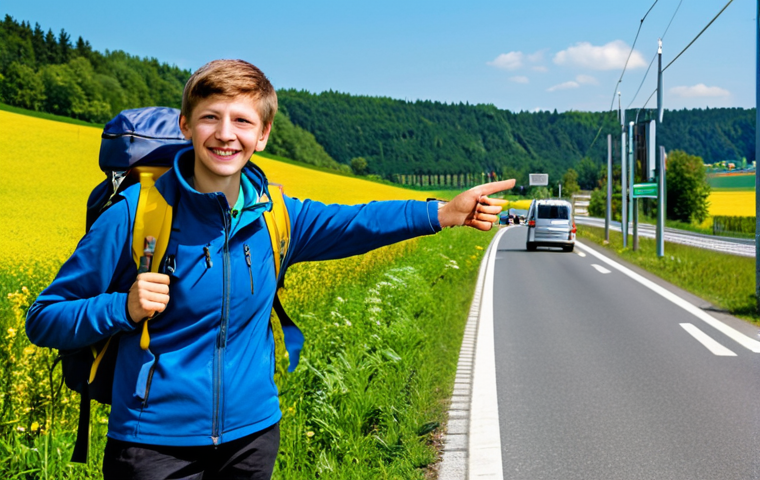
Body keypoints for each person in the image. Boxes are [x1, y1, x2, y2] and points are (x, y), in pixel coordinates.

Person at [26, 59, 514, 480]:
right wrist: (124, 306)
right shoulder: (136, 213)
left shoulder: (277, 216)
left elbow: (359, 221)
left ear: (261, 135)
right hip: (152, 444)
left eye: (242, 121)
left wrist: (443, 213)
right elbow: (45, 317)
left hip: (252, 437)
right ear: (185, 126)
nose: (224, 133)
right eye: (209, 118)